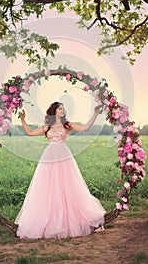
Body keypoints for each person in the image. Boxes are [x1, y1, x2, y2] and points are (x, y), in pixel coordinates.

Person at [15, 102, 105, 239]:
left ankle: (73, 218)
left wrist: (95, 114)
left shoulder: (67, 125)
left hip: (64, 156)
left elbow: (85, 128)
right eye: (60, 108)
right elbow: (30, 132)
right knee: (48, 187)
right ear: (54, 111)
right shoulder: (47, 127)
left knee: (68, 186)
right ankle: (51, 220)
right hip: (50, 156)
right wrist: (23, 119)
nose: (63, 110)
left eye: (63, 108)